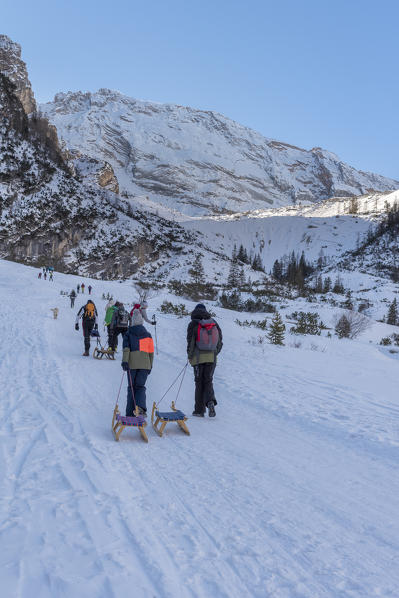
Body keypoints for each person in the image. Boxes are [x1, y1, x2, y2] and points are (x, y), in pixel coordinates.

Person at [186, 303, 223, 417]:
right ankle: (210, 401)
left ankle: (199, 410)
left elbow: (190, 342)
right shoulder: (213, 323)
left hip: (198, 358)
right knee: (208, 380)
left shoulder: (193, 324)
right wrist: (214, 353)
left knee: (199, 382)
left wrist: (190, 355)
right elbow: (220, 341)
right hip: (211, 358)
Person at [121, 310, 154, 416]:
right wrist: (150, 365)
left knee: (131, 387)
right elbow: (150, 352)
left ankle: (130, 413)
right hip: (145, 364)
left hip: (132, 364)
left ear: (133, 322)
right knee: (140, 386)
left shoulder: (129, 333)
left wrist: (125, 361)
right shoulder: (147, 335)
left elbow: (126, 349)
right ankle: (140, 408)